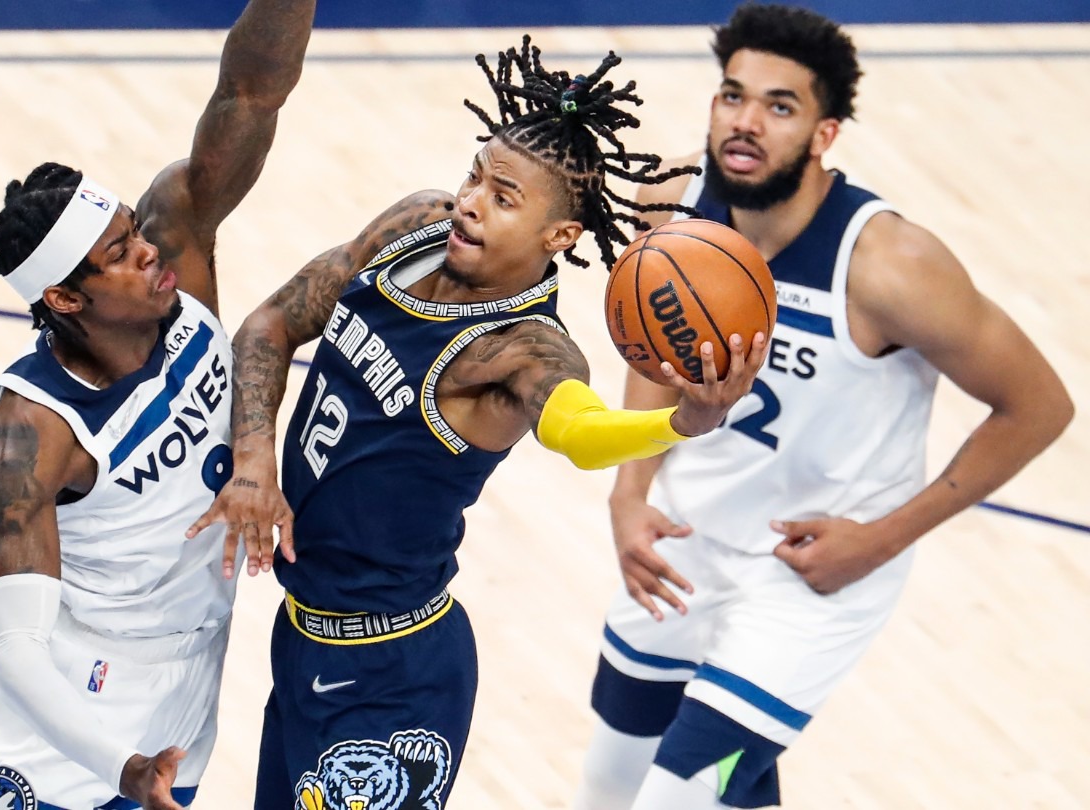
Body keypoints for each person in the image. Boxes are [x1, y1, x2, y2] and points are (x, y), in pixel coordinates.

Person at [184, 37, 767, 809]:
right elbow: (268, 326)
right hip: (302, 639)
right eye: (475, 175)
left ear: (559, 238)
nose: (469, 201)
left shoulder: (523, 350)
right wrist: (255, 459)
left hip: (393, 678)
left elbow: (580, 434)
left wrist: (684, 422)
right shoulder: (412, 228)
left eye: (503, 197)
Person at [571, 4, 1075, 809]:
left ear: (825, 133)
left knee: (680, 801)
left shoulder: (890, 265)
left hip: (814, 573)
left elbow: (1040, 407)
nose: (745, 122)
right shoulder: (671, 199)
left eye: (780, 106)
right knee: (607, 788)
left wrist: (879, 541)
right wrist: (630, 493)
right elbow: (657, 355)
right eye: (732, 96)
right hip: (685, 540)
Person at [0, 2, 315, 809]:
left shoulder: (175, 257)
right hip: (68, 715)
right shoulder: (33, 428)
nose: (147, 248)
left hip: (189, 682)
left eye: (130, 231)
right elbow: (13, 648)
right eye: (118, 253)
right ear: (65, 298)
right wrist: (119, 765)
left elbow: (251, 93)